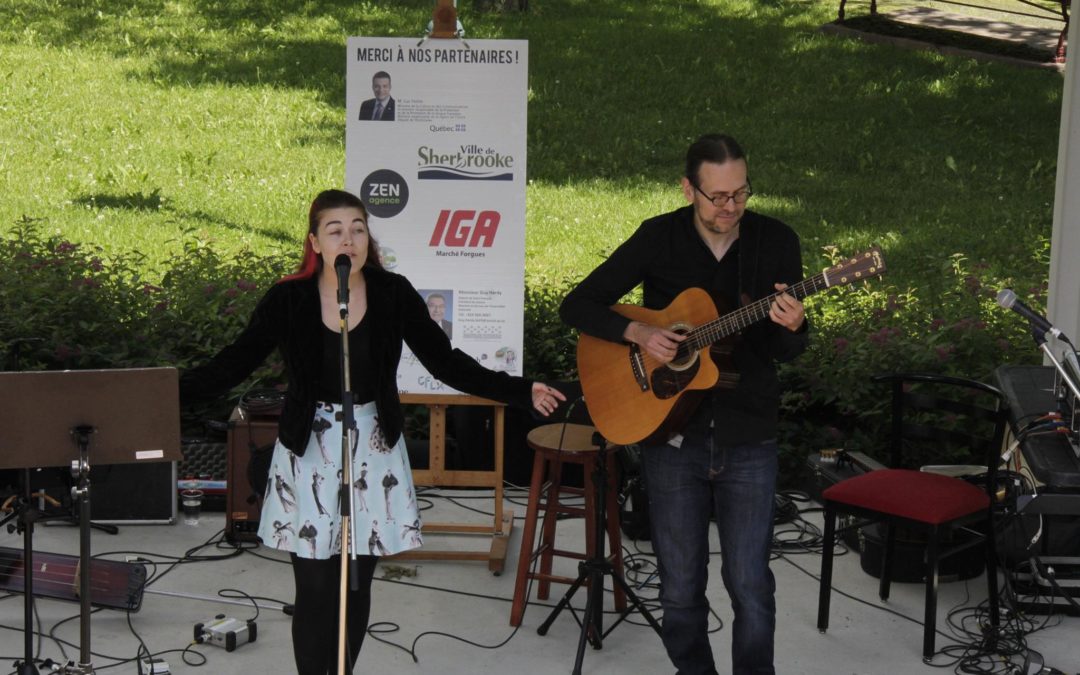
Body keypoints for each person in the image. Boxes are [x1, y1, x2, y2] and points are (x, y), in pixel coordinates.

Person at [180, 188, 564, 675]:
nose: (349, 239)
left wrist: (520, 389)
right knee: (316, 587)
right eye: (335, 230)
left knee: (355, 583)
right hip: (310, 450)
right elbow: (233, 363)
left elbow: (445, 362)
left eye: (358, 229)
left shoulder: (392, 293)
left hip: (373, 448)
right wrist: (165, 391)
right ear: (315, 242)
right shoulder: (289, 299)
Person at [559, 134, 808, 675]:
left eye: (740, 194)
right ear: (688, 189)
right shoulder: (659, 238)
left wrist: (795, 325)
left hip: (748, 433)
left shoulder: (775, 241)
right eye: (717, 196)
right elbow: (577, 305)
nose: (729, 207)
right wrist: (639, 334)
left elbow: (785, 352)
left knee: (751, 584)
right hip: (670, 435)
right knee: (679, 587)